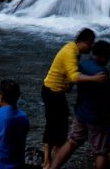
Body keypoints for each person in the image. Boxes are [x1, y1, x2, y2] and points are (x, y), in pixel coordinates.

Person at [41, 28, 106, 169]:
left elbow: (71, 76)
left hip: (57, 92)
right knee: (54, 125)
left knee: (61, 124)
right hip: (52, 91)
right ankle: (47, 161)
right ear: (86, 41)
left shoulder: (74, 50)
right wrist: (95, 78)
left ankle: (54, 158)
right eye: (92, 43)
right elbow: (74, 76)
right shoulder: (70, 52)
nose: (92, 47)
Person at [51, 40, 110, 169]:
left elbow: (70, 83)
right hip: (97, 117)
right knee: (100, 151)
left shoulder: (82, 65)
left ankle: (53, 167)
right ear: (103, 56)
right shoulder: (101, 73)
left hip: (81, 113)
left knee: (72, 141)